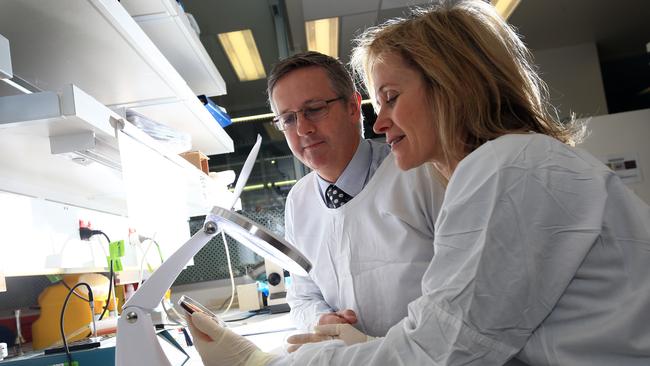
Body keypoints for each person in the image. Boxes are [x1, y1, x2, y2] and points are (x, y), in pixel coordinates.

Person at [186, 1, 650, 365]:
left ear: (451, 86)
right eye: (287, 118)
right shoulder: (512, 162)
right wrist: (335, 337)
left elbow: (440, 350)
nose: (381, 121)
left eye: (389, 97)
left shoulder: (504, 169)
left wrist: (263, 362)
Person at [267, 51, 445, 339]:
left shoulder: (418, 171)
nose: (303, 129)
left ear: (353, 107)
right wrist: (321, 319)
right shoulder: (298, 201)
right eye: (288, 119)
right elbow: (302, 297)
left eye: (314, 109)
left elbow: (461, 289)